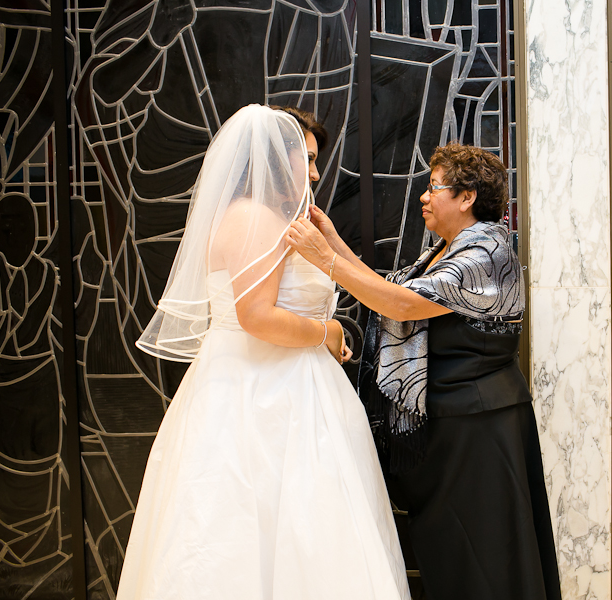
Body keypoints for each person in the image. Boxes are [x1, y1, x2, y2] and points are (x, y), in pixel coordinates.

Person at [118, 104, 411, 600]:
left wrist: (331, 247)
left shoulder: (272, 218)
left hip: (280, 386)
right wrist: (326, 334)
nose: (317, 173)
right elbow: (255, 317)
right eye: (310, 159)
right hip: (265, 398)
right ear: (278, 160)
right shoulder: (255, 218)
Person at [287, 142, 562, 600]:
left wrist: (325, 259)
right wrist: (332, 241)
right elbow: (388, 289)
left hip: (481, 431)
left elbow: (401, 304)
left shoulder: (488, 251)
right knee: (452, 559)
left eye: (434, 187)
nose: (423, 196)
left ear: (468, 197)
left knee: (487, 560)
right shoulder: (447, 250)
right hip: (451, 429)